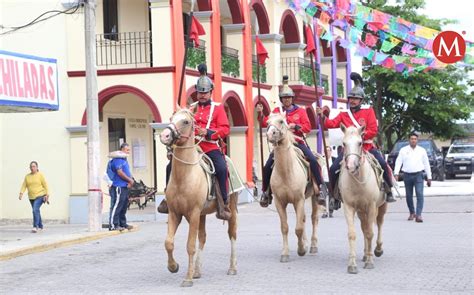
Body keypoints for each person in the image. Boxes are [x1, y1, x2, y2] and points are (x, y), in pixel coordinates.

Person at [158, 64, 232, 220]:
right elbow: (180, 123)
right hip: (190, 147)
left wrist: (210, 133)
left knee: (221, 168)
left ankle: (223, 202)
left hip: (209, 146)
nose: (202, 95)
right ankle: (167, 198)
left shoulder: (218, 109)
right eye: (200, 92)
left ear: (211, 92)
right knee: (169, 166)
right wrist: (176, 117)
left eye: (205, 92)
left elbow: (225, 129)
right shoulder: (190, 108)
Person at [316, 72, 396, 204]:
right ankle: (333, 195)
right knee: (333, 169)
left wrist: (361, 136)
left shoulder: (368, 111)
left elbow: (373, 130)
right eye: (350, 98)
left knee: (382, 163)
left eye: (355, 98)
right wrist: (322, 117)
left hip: (367, 147)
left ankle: (388, 190)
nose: (352, 100)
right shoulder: (344, 114)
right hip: (349, 150)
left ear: (361, 100)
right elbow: (330, 124)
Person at [256, 75, 325, 208]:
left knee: (312, 159)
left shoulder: (301, 111)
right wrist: (261, 114)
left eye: (288, 97)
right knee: (267, 166)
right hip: (280, 144)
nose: (286, 100)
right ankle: (265, 191)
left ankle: (320, 188)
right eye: (284, 98)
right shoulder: (277, 111)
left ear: (292, 98)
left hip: (297, 142)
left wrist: (296, 126)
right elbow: (268, 123)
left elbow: (308, 127)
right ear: (281, 99)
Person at [394, 131, 432, 223]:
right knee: (409, 195)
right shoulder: (403, 150)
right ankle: (412, 212)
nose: (413, 141)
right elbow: (398, 162)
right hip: (407, 175)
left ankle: (418, 215)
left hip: (419, 175)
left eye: (415, 139)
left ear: (417, 140)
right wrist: (396, 173)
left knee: (419, 194)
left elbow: (426, 164)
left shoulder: (422, 150)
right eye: (412, 139)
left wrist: (429, 177)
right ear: (409, 140)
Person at [109, 143, 134, 230]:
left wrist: (131, 181)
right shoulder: (118, 160)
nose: (128, 151)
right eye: (127, 150)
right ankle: (114, 225)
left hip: (125, 186)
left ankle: (122, 223)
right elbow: (120, 172)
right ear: (122, 150)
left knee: (124, 206)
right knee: (117, 205)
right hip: (119, 186)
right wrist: (130, 180)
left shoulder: (124, 160)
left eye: (129, 150)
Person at [19, 161, 49, 233]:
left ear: (37, 167)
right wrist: (21, 193)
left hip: (40, 195)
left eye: (34, 166)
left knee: (35, 210)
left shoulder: (40, 175)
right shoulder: (27, 176)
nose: (32, 168)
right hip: (31, 197)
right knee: (36, 211)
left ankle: (35, 226)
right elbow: (24, 185)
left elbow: (45, 185)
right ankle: (41, 226)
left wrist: (47, 195)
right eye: (31, 166)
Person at [321, 146, 335, 218]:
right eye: (326, 151)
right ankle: (324, 212)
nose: (328, 152)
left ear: (331, 152)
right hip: (323, 180)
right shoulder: (322, 160)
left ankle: (330, 211)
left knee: (331, 197)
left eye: (329, 151)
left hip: (331, 181)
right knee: (323, 197)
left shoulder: (334, 160)